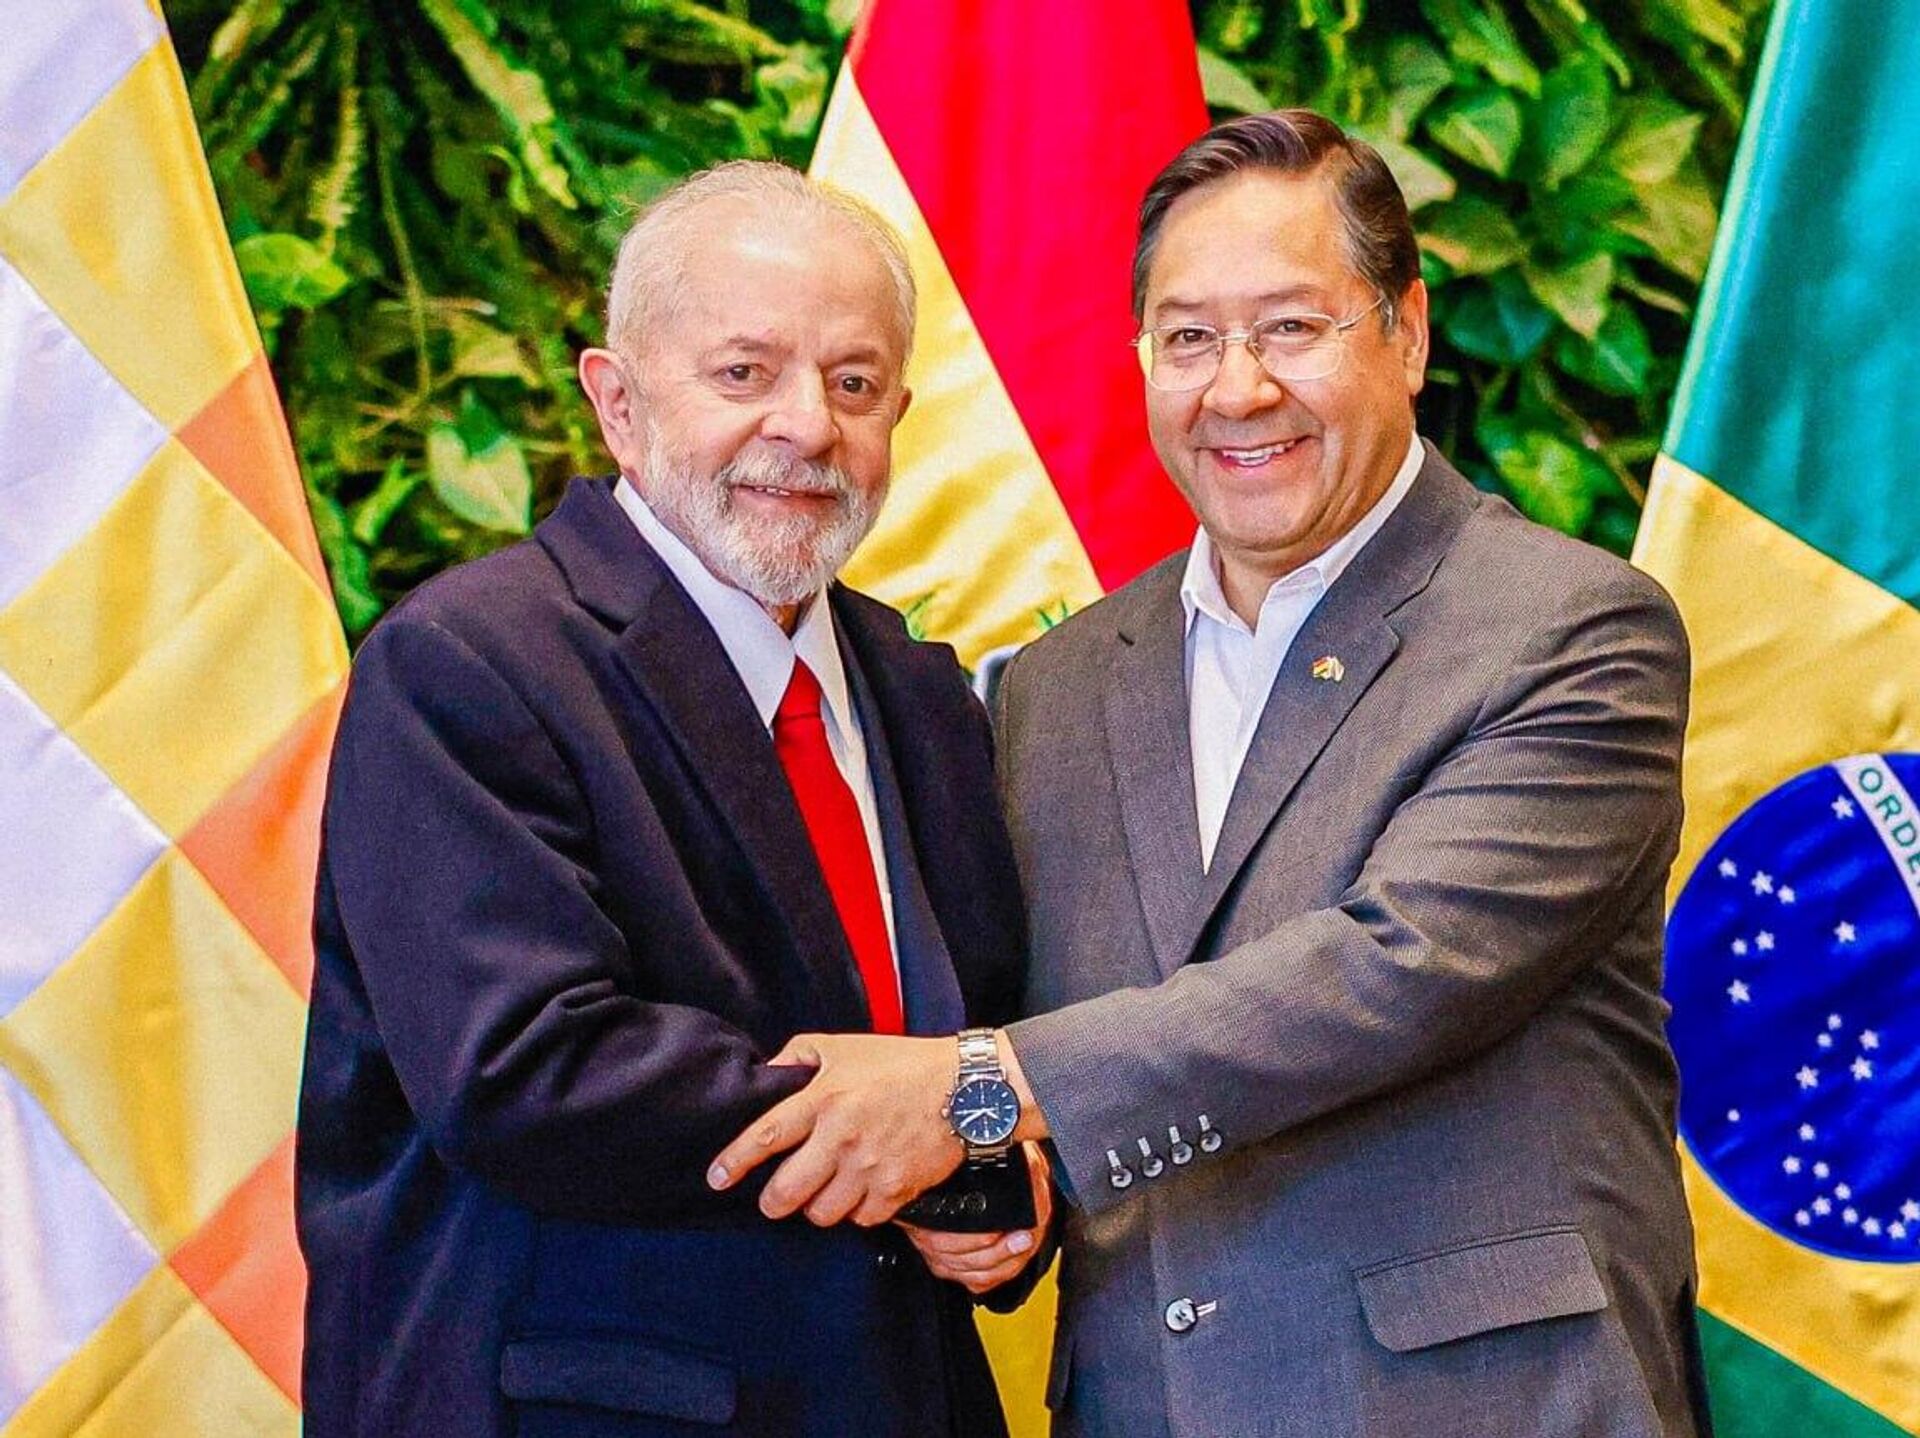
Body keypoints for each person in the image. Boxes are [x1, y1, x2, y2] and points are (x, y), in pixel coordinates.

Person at [712, 112, 1712, 1436]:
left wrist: (976, 1089)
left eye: (1291, 328)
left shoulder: (1571, 628)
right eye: (1188, 339)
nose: (1236, 389)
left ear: (1408, 333)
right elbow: (1052, 1026)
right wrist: (995, 1194)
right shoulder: (1058, 686)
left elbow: (1394, 971)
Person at [297, 161, 1046, 1438]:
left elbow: (970, 1041)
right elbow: (527, 1067)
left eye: (853, 383)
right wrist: (919, 1124)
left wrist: (988, 1171)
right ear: (618, 402)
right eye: (744, 373)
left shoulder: (921, 693)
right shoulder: (467, 664)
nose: (807, 425)